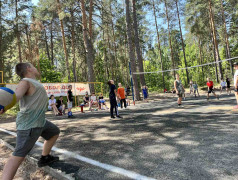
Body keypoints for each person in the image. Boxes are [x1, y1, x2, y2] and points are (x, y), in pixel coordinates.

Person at [0, 63, 60, 180]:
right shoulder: (25, 82)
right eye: (33, 66)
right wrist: (4, 106)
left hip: (40, 121)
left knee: (54, 132)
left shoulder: (33, 82)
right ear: (29, 68)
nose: (36, 68)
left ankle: (44, 157)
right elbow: (16, 97)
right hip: (29, 124)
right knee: (18, 156)